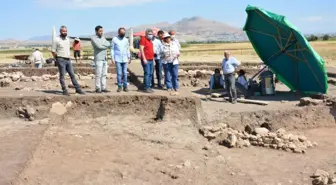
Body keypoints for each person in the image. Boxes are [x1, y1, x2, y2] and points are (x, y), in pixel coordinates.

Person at [51, 25, 85, 95]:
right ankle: (64, 90)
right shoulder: (56, 40)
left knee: (72, 74)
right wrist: (57, 58)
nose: (65, 32)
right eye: (63, 31)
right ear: (60, 31)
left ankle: (78, 89)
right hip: (61, 59)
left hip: (68, 59)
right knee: (62, 75)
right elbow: (53, 51)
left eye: (66, 31)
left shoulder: (67, 39)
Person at [91, 25, 111, 93]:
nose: (101, 32)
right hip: (98, 58)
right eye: (100, 31)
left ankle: (103, 87)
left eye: (102, 31)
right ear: (96, 31)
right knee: (98, 74)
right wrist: (105, 46)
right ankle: (97, 88)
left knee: (104, 74)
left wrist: (104, 45)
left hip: (105, 58)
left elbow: (108, 43)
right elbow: (98, 46)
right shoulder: (93, 38)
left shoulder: (103, 37)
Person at [111, 27, 131, 92]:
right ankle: (119, 86)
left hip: (125, 59)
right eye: (122, 32)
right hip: (117, 58)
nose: (123, 33)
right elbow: (112, 49)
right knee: (119, 73)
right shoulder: (114, 39)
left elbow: (127, 49)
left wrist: (129, 57)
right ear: (118, 32)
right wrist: (112, 58)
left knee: (125, 73)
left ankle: (125, 86)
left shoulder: (126, 40)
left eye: (124, 32)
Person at [139, 29, 155, 93]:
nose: (151, 35)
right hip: (146, 59)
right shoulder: (143, 39)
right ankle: (146, 87)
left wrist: (153, 59)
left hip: (151, 59)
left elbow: (152, 51)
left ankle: (148, 86)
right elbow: (141, 50)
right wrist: (144, 58)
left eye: (151, 34)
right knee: (147, 73)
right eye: (149, 34)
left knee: (151, 73)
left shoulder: (150, 41)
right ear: (146, 34)